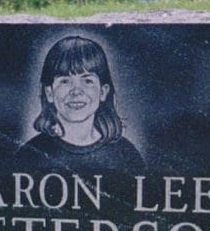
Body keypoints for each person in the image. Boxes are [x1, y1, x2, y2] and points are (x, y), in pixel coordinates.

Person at [16, 35, 145, 177]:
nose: (76, 91)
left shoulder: (125, 155)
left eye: (87, 81)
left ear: (103, 92)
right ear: (49, 93)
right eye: (65, 81)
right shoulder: (30, 155)